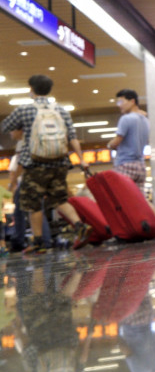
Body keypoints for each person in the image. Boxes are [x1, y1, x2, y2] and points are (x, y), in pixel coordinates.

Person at [1, 75, 88, 254]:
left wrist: (20, 128)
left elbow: (5, 126)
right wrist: (81, 159)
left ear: (31, 89)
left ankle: (39, 242)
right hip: (60, 163)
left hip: (35, 164)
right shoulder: (61, 110)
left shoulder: (24, 109)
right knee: (60, 199)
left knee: (33, 204)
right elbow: (72, 137)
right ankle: (80, 226)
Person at [107, 89, 150, 193]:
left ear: (132, 101)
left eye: (121, 102)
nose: (119, 105)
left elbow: (116, 142)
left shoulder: (126, 119)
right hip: (140, 166)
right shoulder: (146, 120)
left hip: (125, 165)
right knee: (139, 201)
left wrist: (109, 145)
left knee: (120, 199)